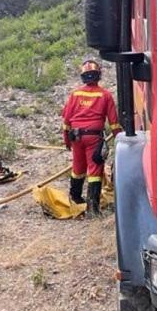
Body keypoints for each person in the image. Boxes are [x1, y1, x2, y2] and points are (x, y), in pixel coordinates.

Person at [62, 59, 121, 216]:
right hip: (93, 138)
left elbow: (66, 121)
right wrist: (119, 142)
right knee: (95, 170)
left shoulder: (75, 94)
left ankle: (75, 199)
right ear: (98, 75)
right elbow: (114, 123)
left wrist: (67, 140)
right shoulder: (105, 95)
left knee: (78, 168)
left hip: (75, 137)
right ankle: (93, 209)